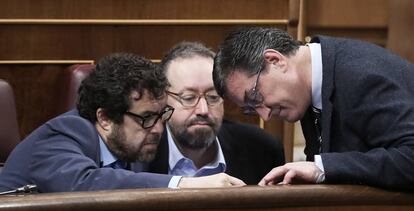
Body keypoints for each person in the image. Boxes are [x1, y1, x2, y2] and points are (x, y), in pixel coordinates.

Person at [0, 53, 245, 193]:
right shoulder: (63, 135)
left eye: (162, 116)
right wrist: (185, 184)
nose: (158, 129)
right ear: (105, 118)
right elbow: (84, 182)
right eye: (147, 118)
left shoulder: (129, 146)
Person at [212, 27, 414, 190]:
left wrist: (323, 167)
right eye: (250, 109)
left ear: (275, 60)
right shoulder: (309, 86)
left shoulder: (361, 76)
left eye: (255, 96)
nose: (265, 114)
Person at [148, 42, 285, 184]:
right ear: (163, 100)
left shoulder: (262, 149)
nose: (203, 110)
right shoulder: (141, 152)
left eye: (213, 97)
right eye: (188, 98)